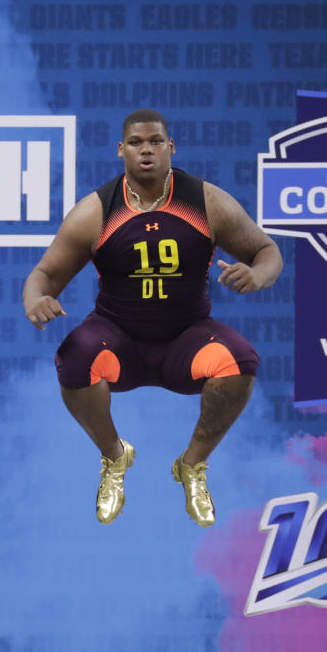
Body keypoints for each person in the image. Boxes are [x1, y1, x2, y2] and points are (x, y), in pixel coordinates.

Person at [22, 109, 282, 527]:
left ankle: (192, 466)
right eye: (137, 142)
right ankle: (114, 456)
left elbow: (267, 251)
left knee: (241, 361)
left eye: (156, 141)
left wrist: (257, 274)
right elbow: (45, 274)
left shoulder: (205, 201)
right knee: (73, 358)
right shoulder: (96, 210)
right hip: (118, 340)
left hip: (186, 340)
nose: (147, 149)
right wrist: (36, 299)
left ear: (170, 147)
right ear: (121, 150)